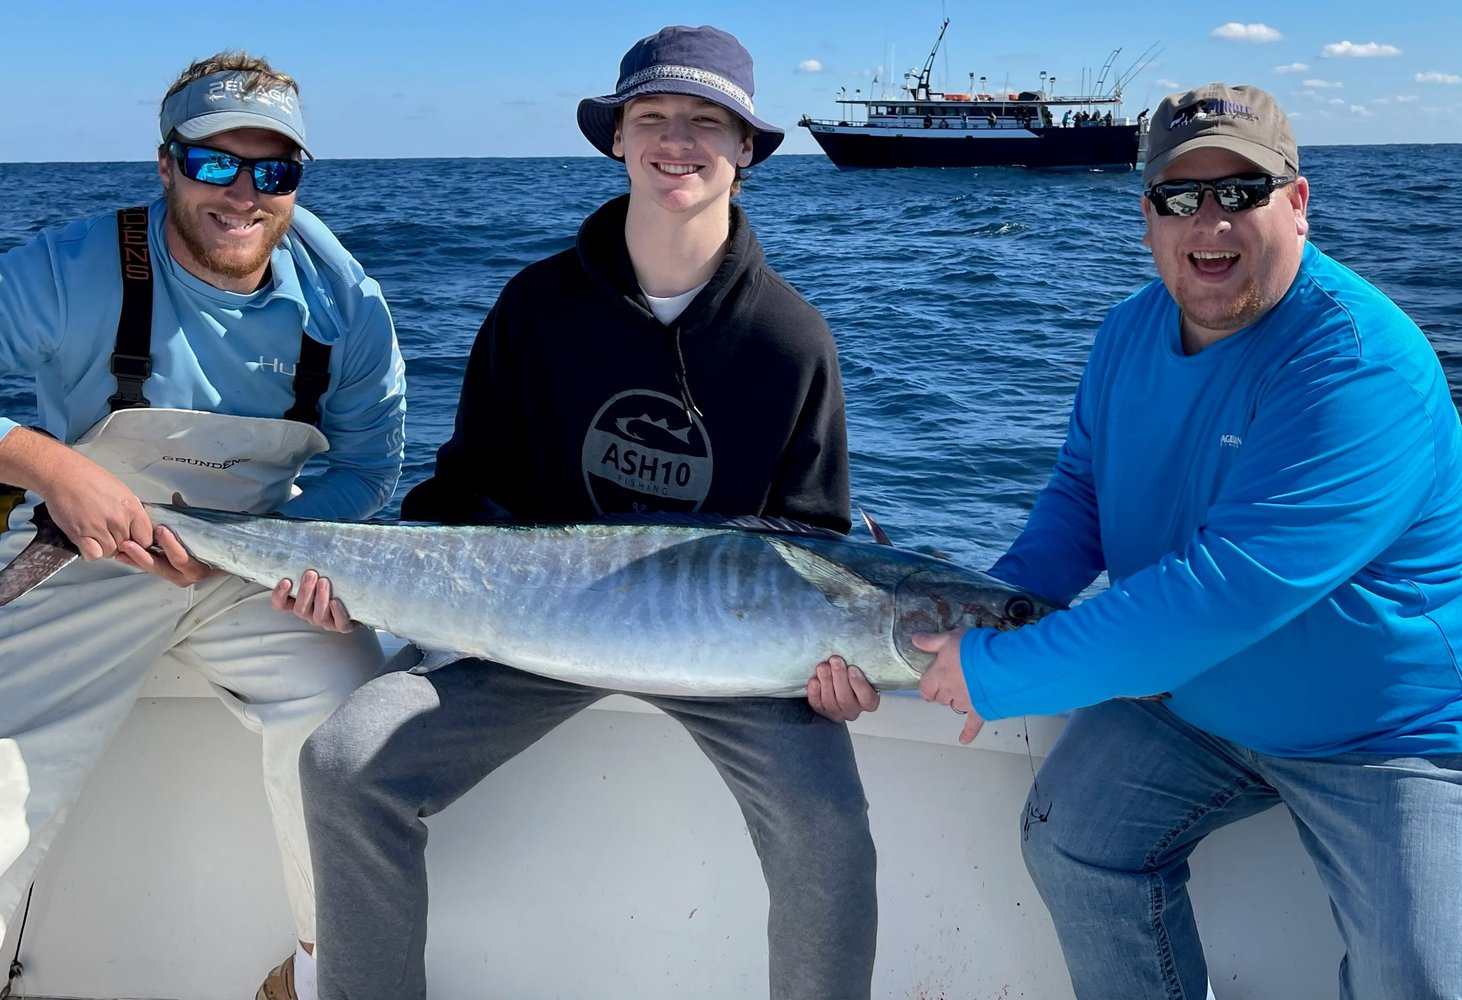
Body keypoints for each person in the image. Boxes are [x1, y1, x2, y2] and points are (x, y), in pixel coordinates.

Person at [299, 24, 878, 1000]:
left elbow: (813, 545)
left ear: (746, 149)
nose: (676, 141)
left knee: (830, 827)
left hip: (735, 661)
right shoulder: (535, 307)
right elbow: (465, 490)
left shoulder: (792, 340)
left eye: (706, 121)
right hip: (526, 632)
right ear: (617, 138)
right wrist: (366, 587)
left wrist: (835, 670)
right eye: (652, 116)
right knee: (347, 761)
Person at [896, 82, 1462, 997]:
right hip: (1194, 699)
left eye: (1241, 191)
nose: (1211, 221)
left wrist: (1001, 674)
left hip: (1387, 730)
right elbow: (1078, 499)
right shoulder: (1127, 332)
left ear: (1299, 203)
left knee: (1423, 976)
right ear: (1147, 213)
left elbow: (1227, 588)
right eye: (1179, 195)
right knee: (1071, 835)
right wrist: (982, 618)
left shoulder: (1360, 365)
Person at [0, 52, 407, 1000]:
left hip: (250, 571)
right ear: (166, 164)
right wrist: (54, 468)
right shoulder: (66, 270)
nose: (243, 194)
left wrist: (282, 556)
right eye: (214, 163)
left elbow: (367, 470)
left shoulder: (347, 308)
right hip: (84, 555)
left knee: (357, 735)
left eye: (273, 171)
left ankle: (313, 976)